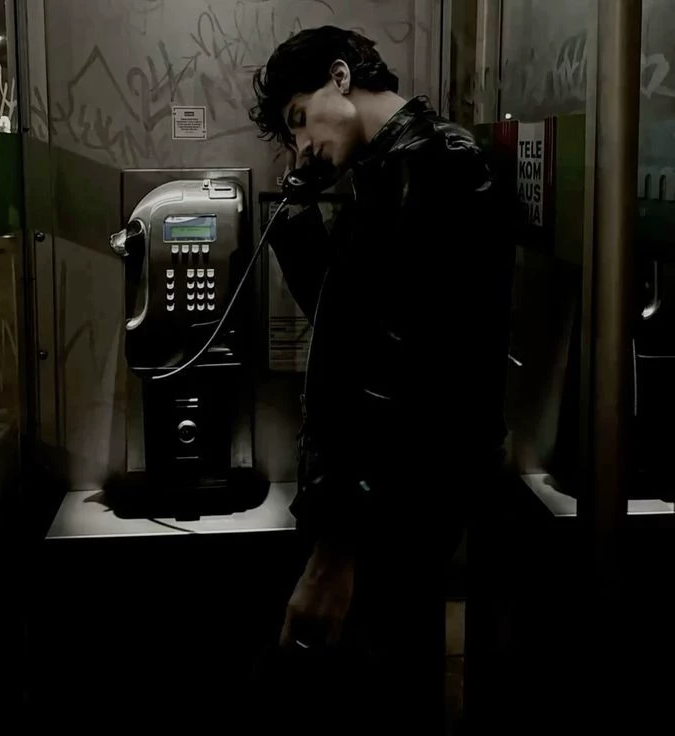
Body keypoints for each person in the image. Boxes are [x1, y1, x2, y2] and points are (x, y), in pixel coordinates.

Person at [249, 25, 514, 726]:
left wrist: (336, 551)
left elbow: (404, 375)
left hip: (396, 503)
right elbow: (347, 329)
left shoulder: (436, 166)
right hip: (379, 501)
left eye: (299, 118)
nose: (301, 145)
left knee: (376, 696)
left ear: (340, 77)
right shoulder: (384, 169)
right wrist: (297, 221)